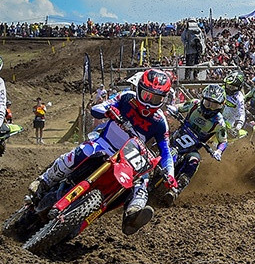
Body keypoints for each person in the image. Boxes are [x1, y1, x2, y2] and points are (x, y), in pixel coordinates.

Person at [29, 68, 176, 235]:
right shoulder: (126, 97)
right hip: (104, 144)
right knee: (82, 151)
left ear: (163, 99)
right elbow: (97, 108)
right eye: (146, 95)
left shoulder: (160, 121)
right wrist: (108, 110)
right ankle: (44, 181)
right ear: (139, 89)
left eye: (155, 98)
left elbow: (166, 151)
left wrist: (170, 175)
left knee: (142, 181)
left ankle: (133, 215)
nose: (149, 102)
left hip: (129, 159)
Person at [164, 83, 228, 191]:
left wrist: (219, 151)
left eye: (214, 105)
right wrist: (174, 108)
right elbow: (180, 107)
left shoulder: (219, 123)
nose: (209, 107)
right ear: (203, 99)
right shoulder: (195, 104)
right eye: (207, 103)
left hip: (192, 149)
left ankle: (178, 188)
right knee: (159, 139)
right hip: (175, 138)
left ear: (221, 106)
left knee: (194, 161)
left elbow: (223, 141)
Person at [221, 70, 247, 135]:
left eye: (232, 87)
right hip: (215, 117)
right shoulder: (221, 90)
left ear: (239, 87)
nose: (229, 88)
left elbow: (241, 114)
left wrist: (237, 128)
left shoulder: (239, 98)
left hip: (228, 124)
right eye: (228, 85)